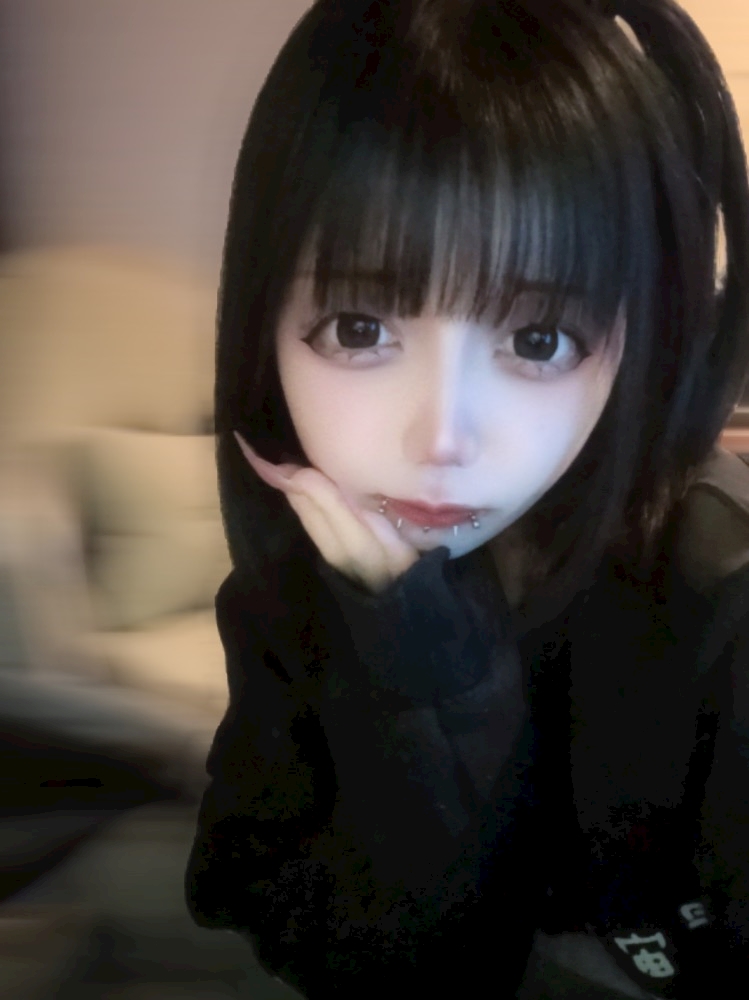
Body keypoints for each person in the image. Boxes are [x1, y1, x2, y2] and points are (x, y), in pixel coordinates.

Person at [185, 1, 749, 996]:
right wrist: (424, 682)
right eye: (358, 328)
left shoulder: (719, 600)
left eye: (537, 339)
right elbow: (300, 926)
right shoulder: (294, 594)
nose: (441, 438)